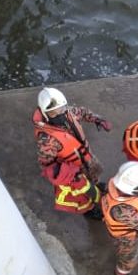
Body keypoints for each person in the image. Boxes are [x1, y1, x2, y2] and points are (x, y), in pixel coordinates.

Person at [32, 87, 112, 219]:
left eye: (62, 109)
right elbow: (47, 166)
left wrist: (97, 119)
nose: (60, 114)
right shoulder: (46, 141)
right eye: (53, 113)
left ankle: (95, 185)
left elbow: (82, 112)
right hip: (74, 172)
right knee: (82, 194)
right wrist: (70, 175)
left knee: (93, 179)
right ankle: (89, 210)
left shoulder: (69, 113)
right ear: (45, 114)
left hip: (85, 159)